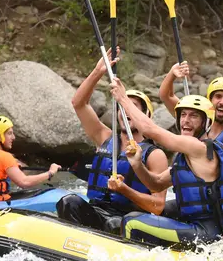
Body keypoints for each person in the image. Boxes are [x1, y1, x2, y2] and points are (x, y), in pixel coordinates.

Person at [111, 79, 223, 249]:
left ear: (207, 123)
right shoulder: (186, 157)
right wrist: (137, 164)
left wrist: (123, 99)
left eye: (194, 116)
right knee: (160, 212)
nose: (186, 120)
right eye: (183, 115)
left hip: (208, 235)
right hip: (197, 230)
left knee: (132, 222)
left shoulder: (200, 148)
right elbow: (155, 184)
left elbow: (150, 130)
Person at [56, 49, 168, 233]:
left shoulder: (155, 155)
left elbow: (157, 206)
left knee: (114, 224)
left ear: (145, 116)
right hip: (97, 211)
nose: (125, 113)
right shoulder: (104, 136)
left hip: (130, 218)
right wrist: (98, 72)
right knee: (69, 202)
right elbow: (79, 104)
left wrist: (124, 190)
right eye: (121, 108)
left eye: (131, 108)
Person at [159, 64, 223, 210]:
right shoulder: (195, 121)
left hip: (222, 204)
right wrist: (172, 74)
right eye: (218, 96)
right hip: (193, 199)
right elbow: (166, 96)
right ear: (209, 101)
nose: (222, 102)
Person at [0, 116, 61, 201]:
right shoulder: (4, 156)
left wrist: (12, 167)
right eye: (9, 133)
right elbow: (24, 182)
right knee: (49, 192)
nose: (13, 137)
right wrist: (50, 173)